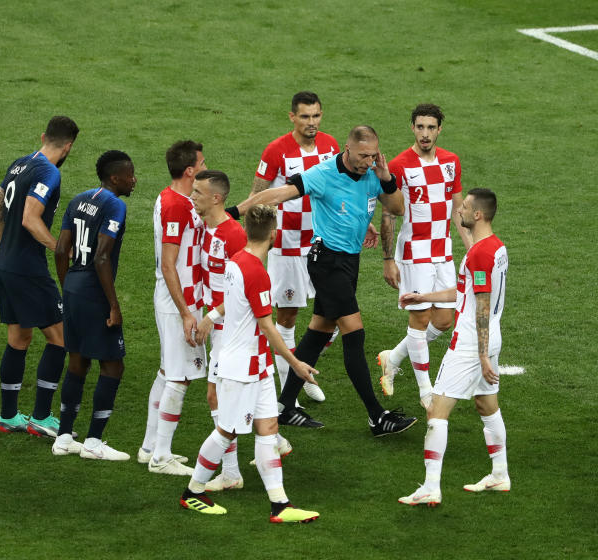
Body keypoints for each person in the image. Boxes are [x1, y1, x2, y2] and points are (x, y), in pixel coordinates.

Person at [239, 125, 417, 436]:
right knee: (354, 333)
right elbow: (280, 192)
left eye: (373, 155)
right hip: (327, 262)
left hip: (349, 262)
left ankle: (285, 406)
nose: (367, 161)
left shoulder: (375, 173)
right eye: (362, 155)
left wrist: (386, 176)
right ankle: (377, 416)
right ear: (347, 150)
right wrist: (236, 210)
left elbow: (398, 207)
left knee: (318, 332)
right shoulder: (323, 173)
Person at [179, 205, 320, 523]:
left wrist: (210, 317)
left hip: (256, 366)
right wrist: (296, 363)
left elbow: (231, 301)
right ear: (274, 234)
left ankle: (280, 505)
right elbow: (269, 327)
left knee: (268, 429)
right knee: (226, 431)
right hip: (242, 367)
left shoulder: (237, 262)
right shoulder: (256, 271)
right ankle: (193, 492)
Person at [397, 189, 509, 506]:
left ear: (478, 215)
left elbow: (482, 306)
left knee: (436, 411)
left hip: (472, 344)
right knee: (487, 406)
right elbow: (467, 294)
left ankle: (431, 486)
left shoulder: (479, 255)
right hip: (489, 337)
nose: (458, 208)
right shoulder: (496, 248)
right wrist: (423, 298)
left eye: (465, 206)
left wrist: (482, 355)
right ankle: (500, 474)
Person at [0, 116, 79, 436]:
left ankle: (9, 416)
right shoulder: (49, 172)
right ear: (68, 147)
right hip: (28, 268)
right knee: (61, 337)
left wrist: (3, 255)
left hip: (7, 265)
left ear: (44, 137)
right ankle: (41, 417)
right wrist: (59, 250)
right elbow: (30, 218)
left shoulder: (19, 164)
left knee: (19, 337)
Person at [378, 103, 471, 409]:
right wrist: (388, 259)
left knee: (444, 320)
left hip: (442, 250)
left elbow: (459, 210)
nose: (425, 133)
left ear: (439, 130)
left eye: (431, 127)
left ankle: (392, 358)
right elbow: (390, 214)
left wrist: (471, 247)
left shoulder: (451, 162)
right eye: (420, 127)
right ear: (412, 128)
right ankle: (425, 391)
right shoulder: (400, 165)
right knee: (419, 319)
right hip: (414, 251)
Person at [250, 91, 340, 404]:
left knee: (334, 312)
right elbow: (257, 196)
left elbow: (338, 187)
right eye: (305, 116)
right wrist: (255, 240)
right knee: (287, 318)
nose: (311, 122)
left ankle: (306, 369)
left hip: (323, 242)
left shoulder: (331, 145)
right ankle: (291, 391)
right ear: (292, 117)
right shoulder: (276, 150)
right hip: (286, 247)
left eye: (316, 115)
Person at [50, 150, 136, 460]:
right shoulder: (115, 205)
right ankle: (94, 443)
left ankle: (63, 437)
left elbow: (61, 250)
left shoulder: (78, 199)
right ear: (115, 178)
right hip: (94, 291)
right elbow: (102, 256)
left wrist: (68, 286)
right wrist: (113, 305)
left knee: (78, 361)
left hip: (73, 285)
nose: (134, 179)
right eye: (130, 175)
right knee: (113, 364)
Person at [139, 140, 208, 475]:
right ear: (190, 170)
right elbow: (169, 264)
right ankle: (160, 456)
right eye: (202, 163)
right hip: (177, 301)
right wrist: (185, 313)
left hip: (177, 297)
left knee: (168, 373)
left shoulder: (171, 198)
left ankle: (150, 446)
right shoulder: (177, 206)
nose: (206, 168)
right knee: (179, 379)